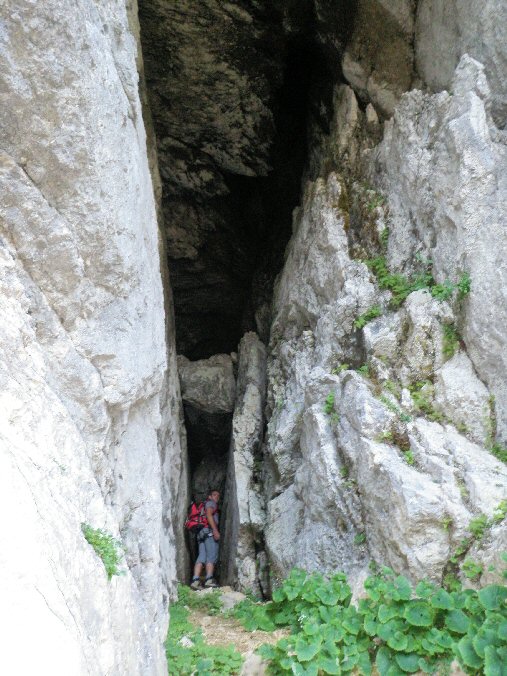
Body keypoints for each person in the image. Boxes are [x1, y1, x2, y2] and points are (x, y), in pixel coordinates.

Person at [190, 489, 220, 589]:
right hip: (209, 532)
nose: (217, 497)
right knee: (211, 556)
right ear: (210, 497)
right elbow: (208, 514)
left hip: (200, 533)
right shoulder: (211, 503)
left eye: (218, 496)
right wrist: (215, 530)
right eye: (214, 495)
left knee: (202, 556)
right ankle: (209, 579)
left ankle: (195, 580)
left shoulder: (201, 506)